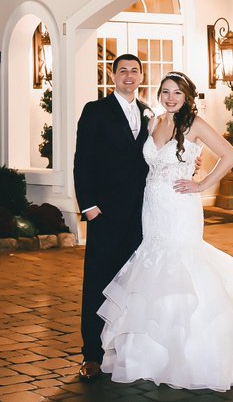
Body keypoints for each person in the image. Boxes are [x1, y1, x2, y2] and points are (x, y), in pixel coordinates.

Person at [98, 70, 233, 391]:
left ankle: (193, 351)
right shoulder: (153, 122)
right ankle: (150, 352)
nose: (170, 98)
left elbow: (230, 155)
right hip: (151, 205)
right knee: (152, 262)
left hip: (180, 204)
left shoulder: (194, 124)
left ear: (187, 98)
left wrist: (201, 183)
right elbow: (140, 162)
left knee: (182, 263)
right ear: (159, 94)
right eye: (166, 92)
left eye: (177, 94)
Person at [72, 53, 152, 382]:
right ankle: (92, 353)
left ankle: (126, 346)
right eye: (123, 71)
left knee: (133, 282)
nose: (129, 76)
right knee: (98, 281)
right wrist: (88, 205)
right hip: (104, 212)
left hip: (142, 213)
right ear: (113, 75)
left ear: (140, 76)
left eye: (134, 71)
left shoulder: (149, 113)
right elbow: (83, 160)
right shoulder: (96, 111)